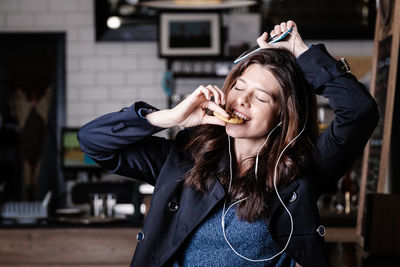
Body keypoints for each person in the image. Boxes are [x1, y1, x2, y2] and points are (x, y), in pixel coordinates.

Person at [78, 20, 379, 267]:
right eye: (239, 86)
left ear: (282, 116)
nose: (242, 100)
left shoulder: (304, 168)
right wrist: (169, 118)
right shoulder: (186, 158)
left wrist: (300, 50)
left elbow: (360, 110)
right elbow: (93, 142)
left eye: (261, 97)